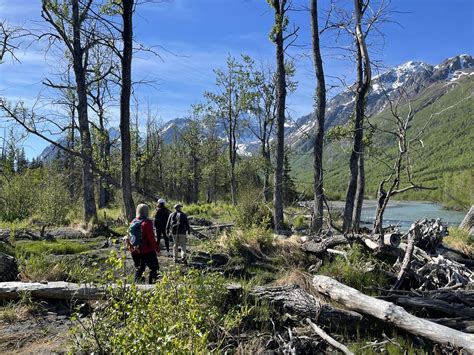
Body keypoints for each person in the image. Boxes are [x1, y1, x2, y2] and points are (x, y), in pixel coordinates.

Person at [128, 203, 160, 283]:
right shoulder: (147, 222)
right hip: (147, 250)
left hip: (135, 250)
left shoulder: (133, 221)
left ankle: (137, 286)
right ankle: (152, 287)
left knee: (139, 268)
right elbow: (151, 238)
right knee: (154, 268)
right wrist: (157, 249)